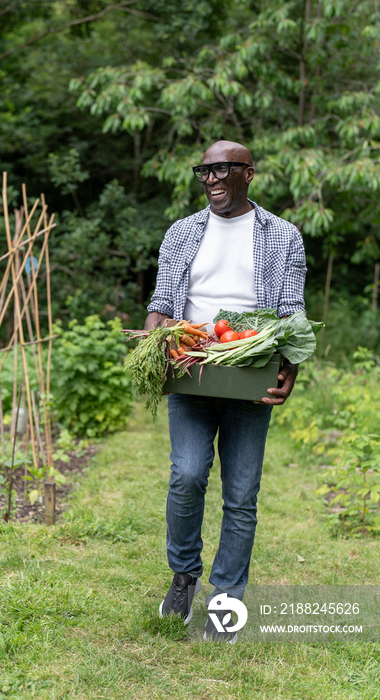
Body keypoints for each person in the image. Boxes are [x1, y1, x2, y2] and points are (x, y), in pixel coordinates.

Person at [145, 140, 307, 642]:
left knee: (241, 495)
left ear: (248, 174)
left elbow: (290, 311)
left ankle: (226, 598)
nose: (212, 180)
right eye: (205, 172)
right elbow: (162, 301)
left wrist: (290, 370)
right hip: (192, 366)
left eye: (222, 171)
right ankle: (183, 576)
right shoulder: (183, 232)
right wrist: (155, 343)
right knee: (188, 476)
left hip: (248, 367)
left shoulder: (282, 236)